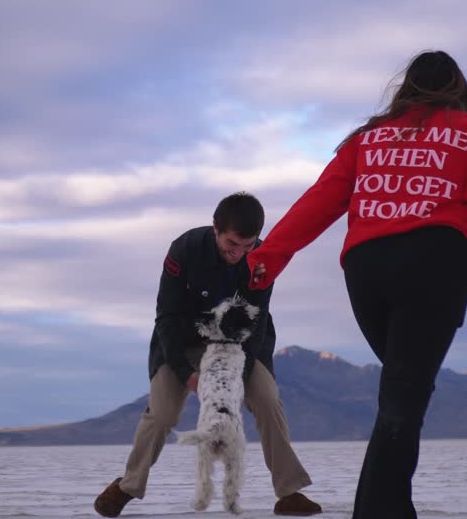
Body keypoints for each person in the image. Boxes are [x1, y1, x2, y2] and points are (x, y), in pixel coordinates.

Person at [246, 50, 467, 519]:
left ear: (405, 88)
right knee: (402, 403)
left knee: (401, 396)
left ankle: (382, 507)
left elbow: (320, 200)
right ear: (459, 91)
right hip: (433, 262)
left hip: (366, 270)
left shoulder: (366, 140)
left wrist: (269, 256)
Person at [93, 192, 323, 517]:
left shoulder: (264, 256)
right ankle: (128, 485)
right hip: (183, 343)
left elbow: (256, 322)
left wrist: (239, 379)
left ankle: (288, 493)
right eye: (232, 244)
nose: (238, 254)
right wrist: (185, 373)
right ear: (215, 228)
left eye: (248, 246)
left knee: (269, 402)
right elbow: (167, 317)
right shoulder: (183, 250)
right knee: (160, 415)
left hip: (240, 347)